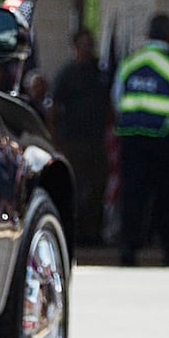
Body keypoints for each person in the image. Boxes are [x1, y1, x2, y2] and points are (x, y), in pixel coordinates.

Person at [110, 13, 169, 265]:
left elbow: (117, 98)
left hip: (131, 137)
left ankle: (128, 248)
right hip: (163, 137)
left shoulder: (130, 61)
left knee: (132, 195)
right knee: (166, 196)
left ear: (148, 35)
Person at [49, 32, 113, 248]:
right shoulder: (67, 73)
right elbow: (54, 106)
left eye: (90, 44)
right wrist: (54, 138)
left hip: (96, 139)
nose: (88, 49)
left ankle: (92, 231)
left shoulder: (99, 72)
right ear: (75, 46)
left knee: (97, 186)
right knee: (76, 187)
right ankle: (72, 232)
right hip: (73, 140)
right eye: (83, 45)